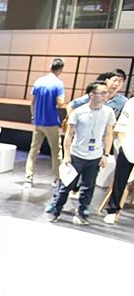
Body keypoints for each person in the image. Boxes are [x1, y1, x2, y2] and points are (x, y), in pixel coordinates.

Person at [45, 80, 115, 225]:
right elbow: (68, 135)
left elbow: (109, 134)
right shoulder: (78, 112)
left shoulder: (108, 112)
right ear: (91, 95)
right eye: (102, 93)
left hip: (95, 156)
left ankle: (82, 213)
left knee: (88, 188)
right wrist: (67, 155)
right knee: (66, 185)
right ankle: (55, 210)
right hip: (76, 155)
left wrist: (106, 154)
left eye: (106, 93)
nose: (105, 96)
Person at [24, 58, 67, 189]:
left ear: (50, 67)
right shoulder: (58, 84)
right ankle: (57, 179)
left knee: (33, 151)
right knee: (56, 152)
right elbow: (60, 103)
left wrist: (33, 116)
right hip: (51, 122)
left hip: (38, 121)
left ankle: (28, 179)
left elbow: (32, 102)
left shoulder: (38, 81)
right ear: (61, 69)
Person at [103, 95, 134, 225]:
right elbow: (121, 127)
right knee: (120, 181)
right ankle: (112, 210)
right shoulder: (131, 103)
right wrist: (123, 147)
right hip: (128, 146)